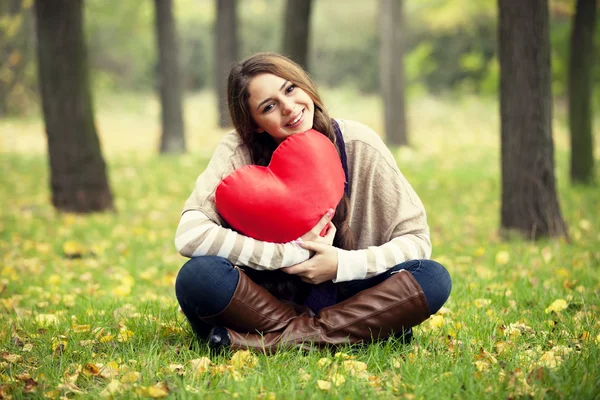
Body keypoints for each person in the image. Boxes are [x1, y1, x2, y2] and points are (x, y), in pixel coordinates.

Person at [174, 52, 451, 353]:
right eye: (269, 106)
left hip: (349, 293)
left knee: (433, 277)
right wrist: (288, 255)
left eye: (290, 89)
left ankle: (272, 340)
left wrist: (340, 265)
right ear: (254, 123)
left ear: (304, 85)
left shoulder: (358, 142)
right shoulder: (237, 151)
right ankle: (352, 333)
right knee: (199, 276)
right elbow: (190, 235)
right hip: (265, 299)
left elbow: (416, 241)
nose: (289, 108)